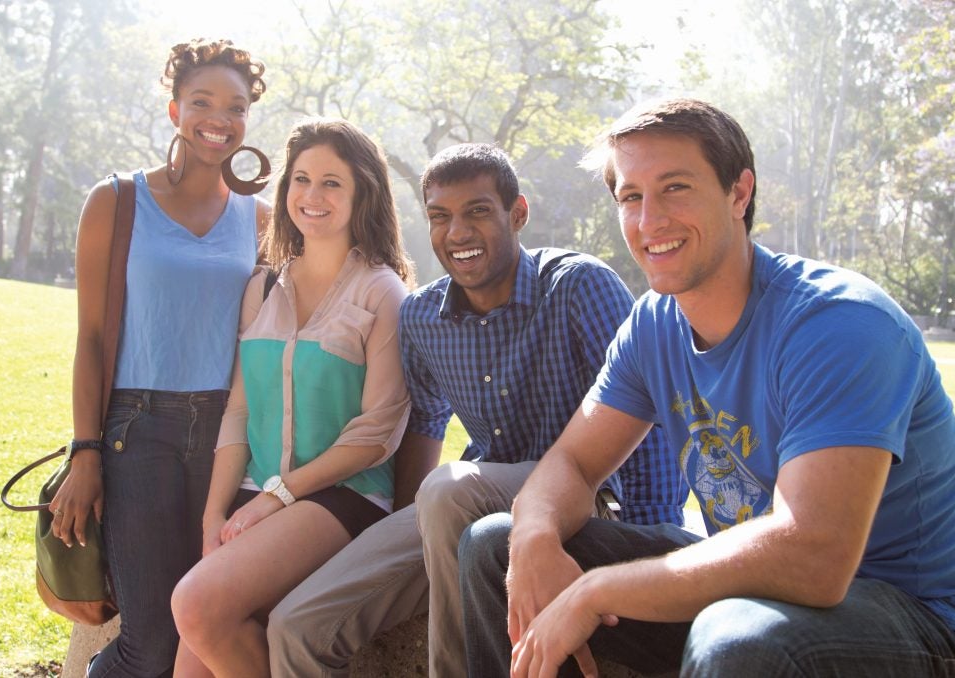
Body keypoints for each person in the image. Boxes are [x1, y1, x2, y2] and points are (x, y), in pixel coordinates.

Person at [459, 98, 955, 678]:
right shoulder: (653, 324)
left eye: (676, 188)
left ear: (739, 194)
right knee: (496, 545)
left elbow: (814, 557)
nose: (649, 222)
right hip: (750, 599)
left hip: (917, 625)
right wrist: (535, 535)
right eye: (632, 197)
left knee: (736, 634)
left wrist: (595, 592)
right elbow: (571, 461)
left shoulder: (838, 323)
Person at [268, 143, 688, 677]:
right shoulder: (422, 317)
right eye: (440, 217)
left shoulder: (578, 285)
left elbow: (649, 418)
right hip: (468, 508)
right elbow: (424, 424)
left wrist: (647, 550)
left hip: (584, 498)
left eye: (478, 212)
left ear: (518, 214)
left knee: (451, 489)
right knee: (297, 626)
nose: (457, 233)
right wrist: (406, 530)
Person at [49, 38, 271, 677]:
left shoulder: (259, 220)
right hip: (134, 434)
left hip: (227, 440)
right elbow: (91, 337)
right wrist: (84, 451)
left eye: (235, 106)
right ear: (175, 111)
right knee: (150, 644)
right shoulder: (116, 201)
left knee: (202, 634)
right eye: (202, 101)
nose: (218, 118)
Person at [169, 117, 414, 677]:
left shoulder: (383, 292)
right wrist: (214, 514)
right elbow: (238, 412)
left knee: (196, 603)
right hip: (256, 496)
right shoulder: (262, 287)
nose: (312, 195)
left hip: (341, 495)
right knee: (195, 655)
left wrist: (278, 496)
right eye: (301, 179)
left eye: (332, 182)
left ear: (362, 194)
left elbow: (375, 435)